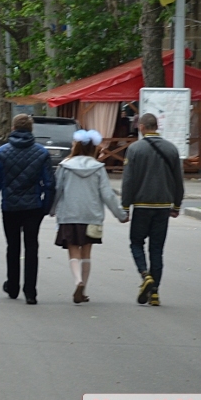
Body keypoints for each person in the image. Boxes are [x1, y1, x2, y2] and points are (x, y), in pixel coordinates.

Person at [50, 130, 129, 304]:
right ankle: (83, 289)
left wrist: (52, 209)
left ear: (76, 145)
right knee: (86, 252)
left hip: (69, 214)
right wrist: (120, 215)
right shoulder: (98, 168)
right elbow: (107, 194)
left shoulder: (65, 166)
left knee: (73, 251)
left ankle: (77, 280)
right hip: (91, 216)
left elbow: (57, 190)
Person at [0, 114, 55, 305]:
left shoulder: (2, 152)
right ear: (31, 129)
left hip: (10, 206)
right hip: (34, 206)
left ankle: (13, 285)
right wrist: (46, 207)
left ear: (13, 128)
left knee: (13, 246)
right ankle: (30, 291)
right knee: (32, 247)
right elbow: (50, 184)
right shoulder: (41, 153)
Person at [121, 113, 184, 306]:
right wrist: (176, 204)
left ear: (141, 127)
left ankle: (144, 274)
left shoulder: (134, 149)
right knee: (157, 249)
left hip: (141, 205)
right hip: (163, 206)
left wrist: (126, 205)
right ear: (157, 126)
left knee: (136, 243)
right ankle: (155, 292)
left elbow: (129, 181)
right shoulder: (171, 149)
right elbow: (178, 181)